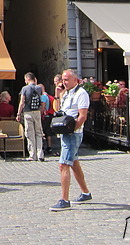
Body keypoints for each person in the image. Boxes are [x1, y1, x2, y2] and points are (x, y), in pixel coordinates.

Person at [50, 69, 92, 211]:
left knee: (63, 165)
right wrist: (58, 95)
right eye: (63, 79)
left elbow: (82, 116)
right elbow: (57, 110)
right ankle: (85, 192)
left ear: (76, 80)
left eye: (67, 79)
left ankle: (64, 200)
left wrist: (72, 130)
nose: (64, 82)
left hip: (72, 133)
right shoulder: (66, 94)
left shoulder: (81, 94)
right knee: (73, 162)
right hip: (65, 132)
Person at [17, 72, 45, 162]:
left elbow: (22, 102)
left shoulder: (25, 88)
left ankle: (32, 155)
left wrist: (18, 113)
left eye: (25, 79)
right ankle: (40, 154)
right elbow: (42, 100)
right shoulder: (39, 88)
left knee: (30, 134)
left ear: (28, 79)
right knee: (39, 133)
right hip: (37, 112)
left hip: (28, 112)